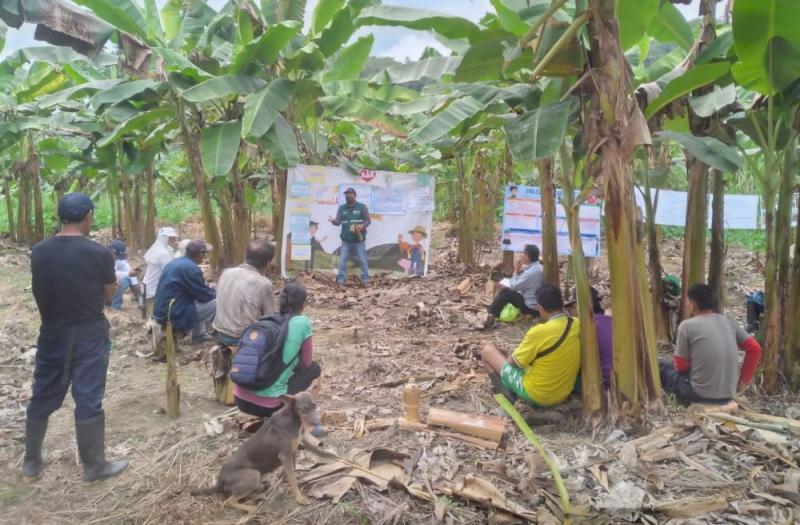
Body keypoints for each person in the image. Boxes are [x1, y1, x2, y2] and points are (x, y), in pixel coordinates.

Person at [23, 192, 128, 481]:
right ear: (88, 216)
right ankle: (94, 466)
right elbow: (109, 293)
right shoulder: (98, 253)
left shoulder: (39, 251)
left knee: (43, 391)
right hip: (88, 331)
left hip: (51, 331)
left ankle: (31, 461)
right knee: (88, 395)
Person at [480, 283, 581, 408]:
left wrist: (510, 356)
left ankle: (516, 404)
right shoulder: (577, 324)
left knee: (487, 351)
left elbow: (513, 364)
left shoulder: (538, 332)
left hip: (537, 395)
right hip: (562, 393)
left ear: (540, 307)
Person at [660, 283, 762, 405]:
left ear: (693, 304)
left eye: (687, 301)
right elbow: (755, 349)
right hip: (729, 395)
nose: (686, 305)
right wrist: (743, 381)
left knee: (661, 366)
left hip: (698, 394)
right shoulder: (728, 322)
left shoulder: (686, 326)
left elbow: (681, 367)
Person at [233, 282, 322, 419]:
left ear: (280, 301)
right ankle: (308, 421)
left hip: (240, 399)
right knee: (315, 369)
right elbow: (306, 362)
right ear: (303, 304)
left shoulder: (265, 321)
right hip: (271, 406)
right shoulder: (302, 322)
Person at [152, 239, 216, 348]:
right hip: (174, 315)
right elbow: (204, 296)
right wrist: (218, 291)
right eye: (205, 254)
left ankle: (199, 334)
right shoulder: (191, 268)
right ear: (200, 255)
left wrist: (207, 287)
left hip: (162, 312)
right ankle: (204, 335)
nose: (205, 257)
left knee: (195, 299)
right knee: (219, 301)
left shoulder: (175, 262)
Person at [213, 239, 277, 346]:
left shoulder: (226, 273)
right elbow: (270, 317)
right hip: (243, 337)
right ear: (267, 263)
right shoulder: (263, 284)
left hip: (220, 333)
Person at [566, 286, 612, 387]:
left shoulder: (585, 327)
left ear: (585, 305)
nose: (572, 312)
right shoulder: (612, 321)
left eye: (574, 307)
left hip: (601, 382)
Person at [487, 244, 544, 319]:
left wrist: (516, 271)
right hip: (537, 303)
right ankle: (495, 312)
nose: (521, 256)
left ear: (527, 257)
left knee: (505, 291)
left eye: (523, 254)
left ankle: (492, 314)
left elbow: (514, 287)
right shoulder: (539, 267)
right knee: (506, 291)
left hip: (531, 307)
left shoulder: (530, 272)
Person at [329, 187, 371, 286]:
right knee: (342, 261)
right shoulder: (341, 208)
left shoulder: (362, 207)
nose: (348, 196)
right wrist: (334, 221)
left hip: (359, 240)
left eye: (350, 194)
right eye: (346, 194)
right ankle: (341, 280)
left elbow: (368, 220)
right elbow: (338, 222)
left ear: (355, 196)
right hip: (346, 240)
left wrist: (362, 226)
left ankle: (365, 280)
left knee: (363, 260)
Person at [142, 227, 178, 318]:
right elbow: (170, 270)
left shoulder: (164, 248)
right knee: (153, 315)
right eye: (171, 238)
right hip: (154, 287)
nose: (173, 240)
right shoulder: (162, 252)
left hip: (154, 286)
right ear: (165, 238)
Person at [109, 240, 140, 310]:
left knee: (127, 280)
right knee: (118, 282)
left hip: (110, 282)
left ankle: (137, 298)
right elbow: (111, 273)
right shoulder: (102, 257)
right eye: (117, 256)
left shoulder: (117, 259)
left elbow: (127, 268)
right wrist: (128, 274)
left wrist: (135, 284)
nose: (118, 258)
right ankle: (115, 307)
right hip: (100, 284)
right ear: (111, 252)